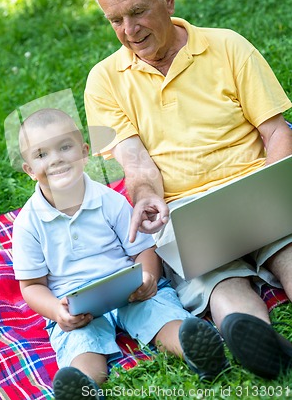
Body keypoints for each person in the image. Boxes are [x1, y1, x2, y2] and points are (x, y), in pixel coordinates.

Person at [84, 0, 292, 379]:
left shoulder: (227, 45)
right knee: (219, 282)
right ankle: (260, 344)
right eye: (114, 20)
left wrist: (276, 192)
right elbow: (136, 165)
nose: (128, 31)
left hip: (255, 186)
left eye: (137, 12)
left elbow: (276, 132)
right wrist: (146, 200)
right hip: (185, 211)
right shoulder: (102, 82)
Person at [12, 108, 227, 400]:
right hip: (76, 305)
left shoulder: (108, 200)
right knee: (82, 344)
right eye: (41, 155)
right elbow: (32, 286)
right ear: (28, 170)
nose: (56, 159)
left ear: (84, 151)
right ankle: (84, 387)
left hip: (127, 288)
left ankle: (197, 351)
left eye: (65, 147)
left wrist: (149, 276)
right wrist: (56, 312)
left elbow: (142, 249)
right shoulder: (28, 224)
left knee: (159, 314)